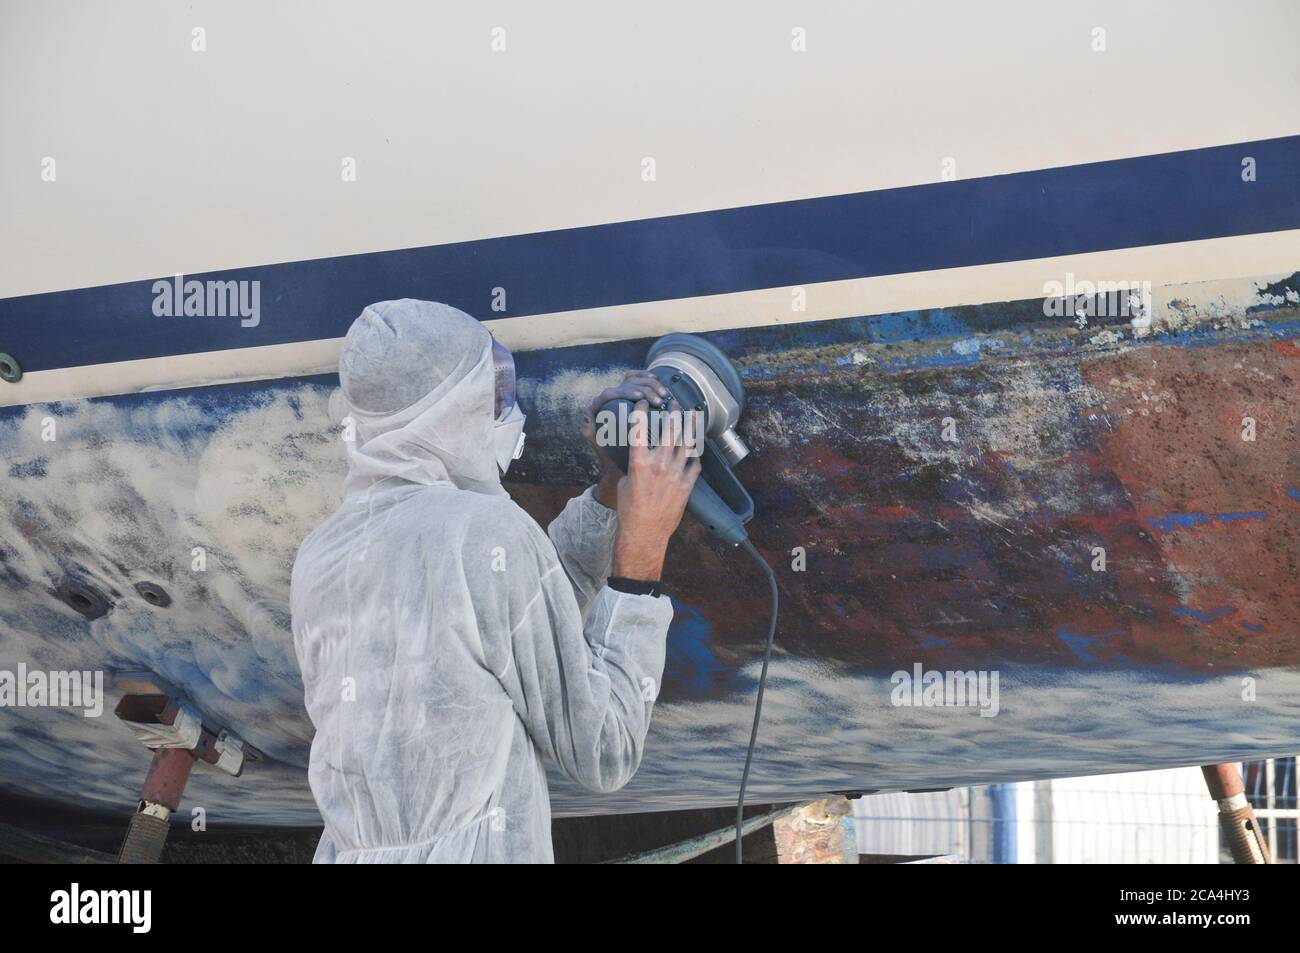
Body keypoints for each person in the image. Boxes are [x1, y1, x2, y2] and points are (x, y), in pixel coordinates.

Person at [290, 299, 699, 863]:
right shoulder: (483, 531)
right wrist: (644, 546)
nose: (507, 412)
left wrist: (610, 489)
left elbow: (517, 625)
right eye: (493, 394)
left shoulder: (322, 555)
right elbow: (604, 749)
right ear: (451, 409)